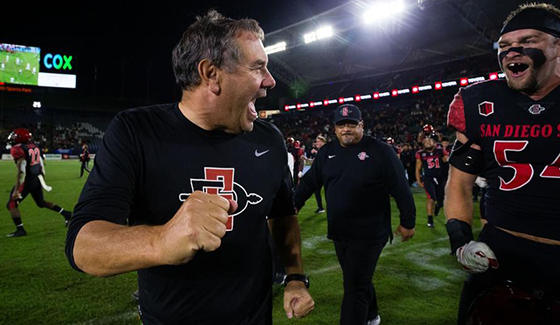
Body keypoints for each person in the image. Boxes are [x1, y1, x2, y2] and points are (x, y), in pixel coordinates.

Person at [65, 10, 314, 325]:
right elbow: (83, 245)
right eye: (257, 67)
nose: (270, 81)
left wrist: (294, 276)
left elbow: (282, 213)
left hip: (255, 317)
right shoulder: (136, 132)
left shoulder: (270, 139)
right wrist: (162, 240)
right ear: (211, 74)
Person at [445, 3, 560, 324]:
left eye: (529, 41)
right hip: (499, 254)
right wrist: (461, 240)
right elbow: (459, 182)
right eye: (506, 46)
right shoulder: (478, 102)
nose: (513, 51)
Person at [294, 104, 416, 325]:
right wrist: (293, 205)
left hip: (370, 233)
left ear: (362, 125)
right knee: (357, 278)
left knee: (354, 287)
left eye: (352, 124)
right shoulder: (327, 152)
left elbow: (400, 188)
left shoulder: (380, 151)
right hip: (340, 231)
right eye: (342, 125)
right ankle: (372, 315)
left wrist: (408, 222)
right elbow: (311, 181)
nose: (346, 129)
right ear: (335, 128)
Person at [6, 128, 72, 237]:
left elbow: (22, 171)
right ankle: (67, 214)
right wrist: (42, 179)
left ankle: (20, 230)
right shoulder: (34, 146)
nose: (12, 138)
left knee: (12, 204)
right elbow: (40, 164)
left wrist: (17, 189)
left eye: (15, 136)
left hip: (27, 180)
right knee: (41, 203)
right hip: (37, 178)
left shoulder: (18, 149)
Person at [415, 137, 448, 228]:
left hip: (440, 178)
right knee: (431, 198)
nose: (428, 141)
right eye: (426, 140)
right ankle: (430, 219)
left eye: (430, 140)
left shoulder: (440, 151)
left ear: (434, 143)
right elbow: (418, 169)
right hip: (428, 178)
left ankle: (438, 206)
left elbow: (447, 163)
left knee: (441, 200)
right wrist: (419, 181)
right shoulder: (421, 154)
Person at [305, 135, 327, 213]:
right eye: (316, 141)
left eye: (318, 141)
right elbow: (314, 162)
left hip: (326, 174)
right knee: (317, 190)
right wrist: (306, 159)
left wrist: (317, 152)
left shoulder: (326, 150)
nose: (316, 143)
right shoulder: (319, 151)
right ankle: (320, 208)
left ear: (323, 142)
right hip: (320, 175)